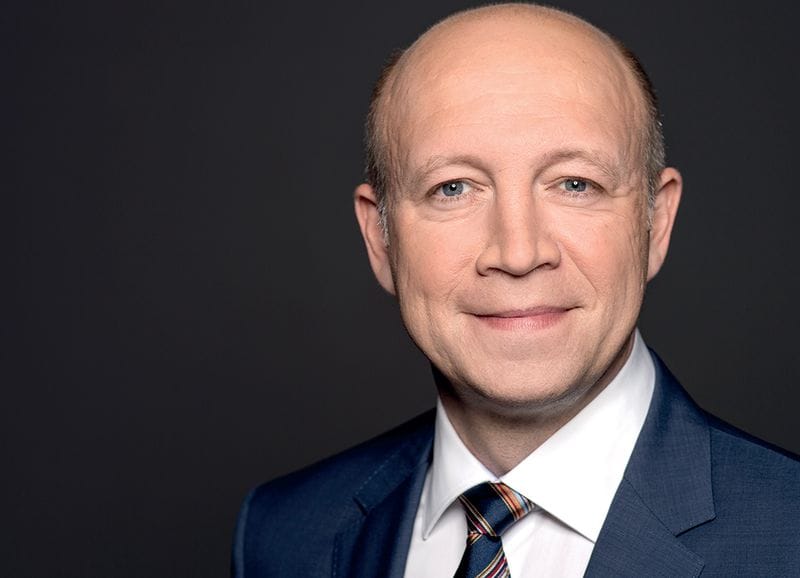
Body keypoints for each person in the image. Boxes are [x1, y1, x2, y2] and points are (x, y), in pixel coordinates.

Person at [232, 4, 800, 577]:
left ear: (656, 223)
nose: (519, 253)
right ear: (380, 239)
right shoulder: (282, 536)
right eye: (453, 188)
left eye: (575, 183)